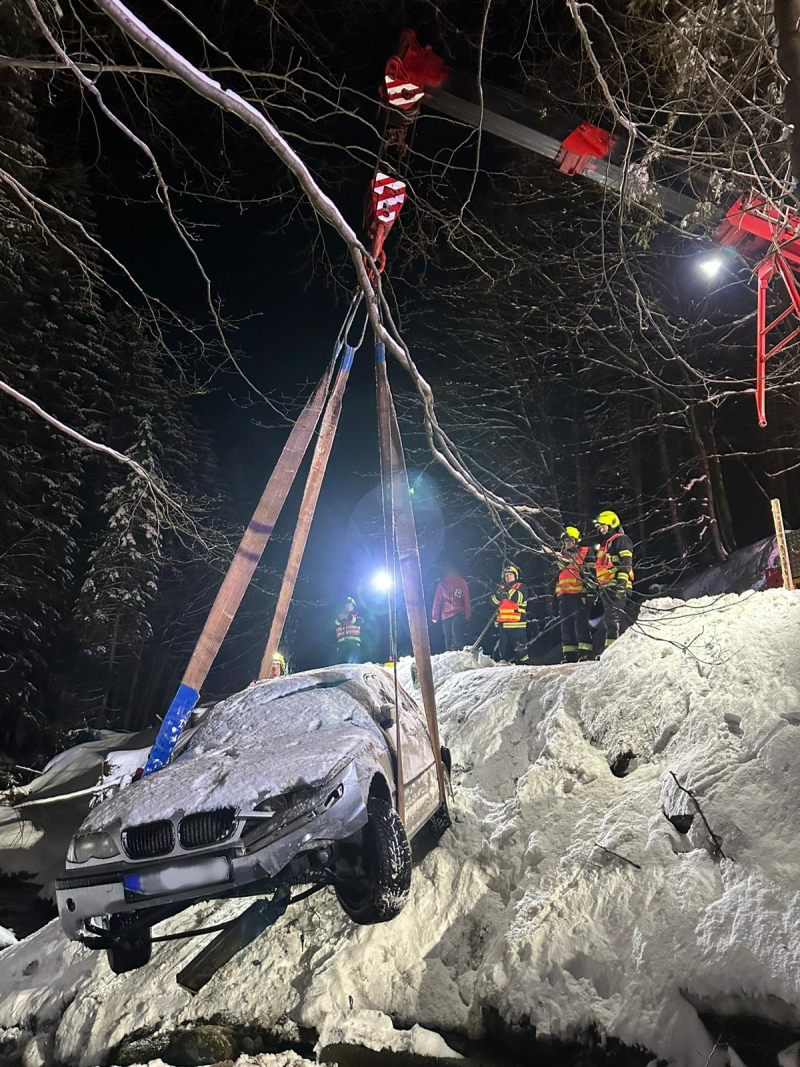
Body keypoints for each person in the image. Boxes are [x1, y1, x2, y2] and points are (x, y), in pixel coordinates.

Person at [593, 510, 634, 651]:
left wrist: (621, 584)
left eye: (603, 526)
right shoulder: (605, 545)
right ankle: (621, 651)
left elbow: (626, 562)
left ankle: (611, 652)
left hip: (617, 586)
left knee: (613, 620)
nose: (601, 530)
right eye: (600, 527)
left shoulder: (620, 540)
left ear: (612, 524)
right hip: (607, 587)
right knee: (614, 620)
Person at [555, 527, 594, 663]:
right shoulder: (561, 557)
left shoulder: (585, 552)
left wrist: (590, 594)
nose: (568, 543)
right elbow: (556, 576)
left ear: (577, 541)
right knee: (566, 627)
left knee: (581, 625)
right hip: (564, 596)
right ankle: (569, 655)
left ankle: (585, 653)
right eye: (566, 541)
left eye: (570, 540)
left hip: (579, 595)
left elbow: (591, 574)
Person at [491, 564, 529, 663]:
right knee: (503, 649)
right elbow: (492, 602)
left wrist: (507, 592)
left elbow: (518, 598)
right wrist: (499, 596)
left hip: (517, 624)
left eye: (510, 575)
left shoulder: (520, 586)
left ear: (515, 576)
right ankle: (506, 665)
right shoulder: (500, 589)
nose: (508, 577)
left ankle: (525, 664)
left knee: (520, 648)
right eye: (506, 575)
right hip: (503, 625)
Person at [431, 565, 472, 651]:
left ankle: (457, 650)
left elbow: (466, 598)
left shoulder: (461, 582)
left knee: (455, 630)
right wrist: (435, 616)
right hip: (446, 614)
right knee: (448, 636)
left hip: (459, 612)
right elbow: (437, 601)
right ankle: (448, 652)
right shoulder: (442, 585)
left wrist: (468, 613)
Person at [335, 596, 364, 663]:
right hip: (341, 645)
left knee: (354, 665)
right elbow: (335, 625)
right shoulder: (339, 617)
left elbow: (360, 622)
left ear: (353, 606)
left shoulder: (357, 617)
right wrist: (340, 619)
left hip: (354, 644)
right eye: (346, 604)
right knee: (341, 665)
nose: (347, 606)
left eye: (349, 604)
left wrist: (348, 617)